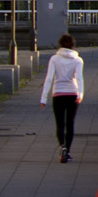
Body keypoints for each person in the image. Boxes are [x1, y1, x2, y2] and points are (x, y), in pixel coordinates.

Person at [40, 34, 85, 163]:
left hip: (58, 93)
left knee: (59, 124)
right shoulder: (78, 60)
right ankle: (68, 151)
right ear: (72, 45)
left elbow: (49, 78)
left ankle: (62, 146)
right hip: (72, 93)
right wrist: (80, 94)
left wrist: (43, 98)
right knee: (70, 123)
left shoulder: (54, 59)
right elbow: (79, 78)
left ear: (60, 44)